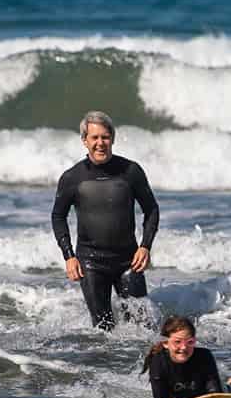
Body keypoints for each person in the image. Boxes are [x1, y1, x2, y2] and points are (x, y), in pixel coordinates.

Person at [51, 110, 160, 330]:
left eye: (105, 137)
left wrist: (145, 246)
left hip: (129, 261)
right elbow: (58, 216)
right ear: (84, 140)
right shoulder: (72, 177)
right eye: (94, 137)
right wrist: (69, 256)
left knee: (142, 328)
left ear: (112, 138)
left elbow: (152, 209)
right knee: (102, 329)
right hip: (90, 263)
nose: (100, 143)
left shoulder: (131, 171)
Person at [142, 315, 231, 398]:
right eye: (177, 342)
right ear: (166, 343)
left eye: (190, 342)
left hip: (202, 395)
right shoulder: (158, 362)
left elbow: (215, 394)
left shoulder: (205, 356)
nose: (183, 347)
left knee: (226, 391)